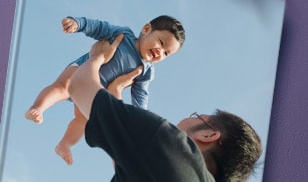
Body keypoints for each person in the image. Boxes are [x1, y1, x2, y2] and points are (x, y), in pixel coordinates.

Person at [68, 36, 262, 182]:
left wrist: (97, 56)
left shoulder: (169, 144)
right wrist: (116, 90)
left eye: (198, 116)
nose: (189, 118)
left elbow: (79, 85)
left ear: (209, 135)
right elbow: (128, 154)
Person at [25, 15, 185, 165]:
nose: (160, 52)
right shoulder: (124, 35)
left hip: (93, 92)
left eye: (166, 53)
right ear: (146, 29)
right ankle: (37, 108)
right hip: (82, 70)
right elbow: (100, 27)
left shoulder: (146, 71)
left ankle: (65, 143)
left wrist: (140, 121)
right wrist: (78, 23)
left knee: (84, 119)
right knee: (62, 87)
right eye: (161, 43)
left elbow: (140, 97)